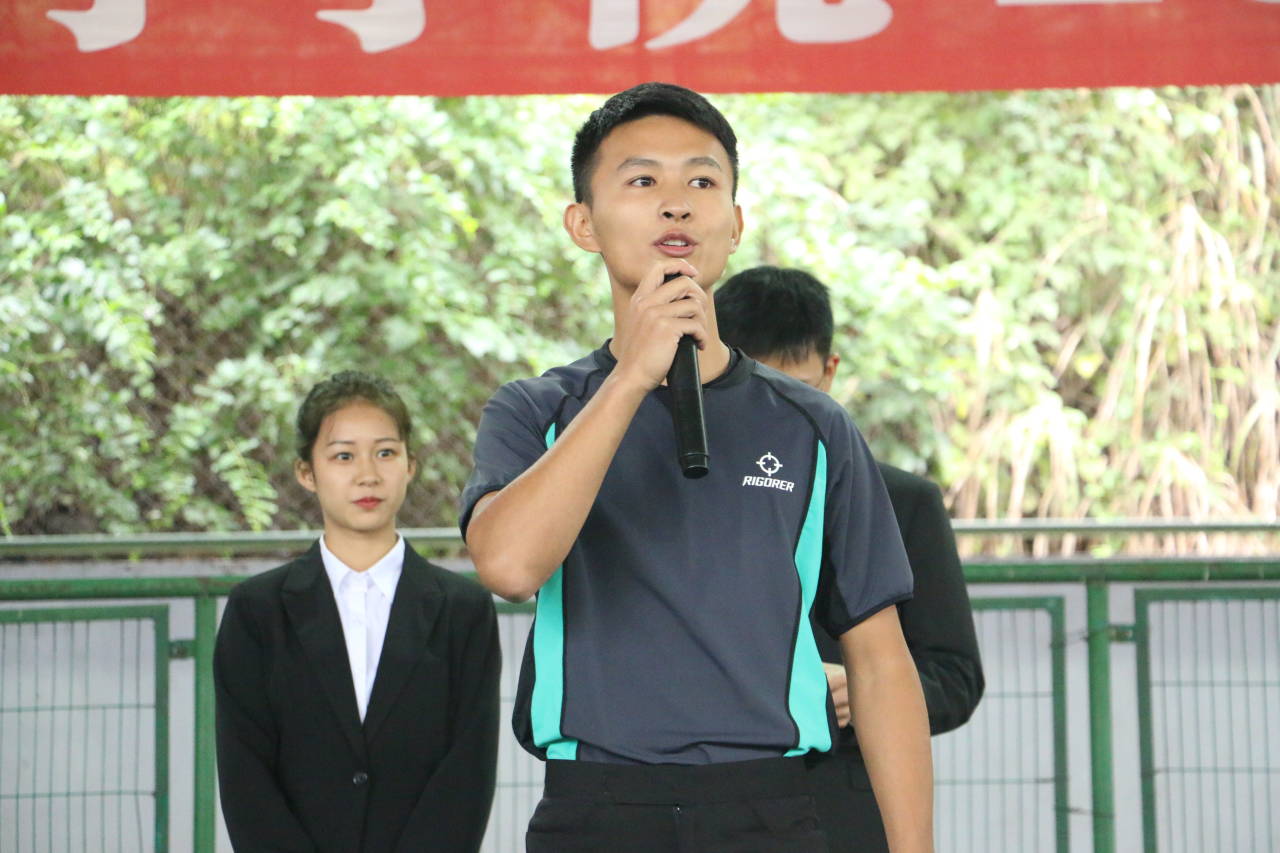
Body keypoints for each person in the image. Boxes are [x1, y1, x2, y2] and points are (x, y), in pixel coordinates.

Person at [461, 82, 934, 853]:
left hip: (770, 812)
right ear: (583, 223)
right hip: (597, 810)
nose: (676, 204)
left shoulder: (814, 427)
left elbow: (881, 663)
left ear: (736, 224)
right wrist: (630, 379)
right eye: (643, 180)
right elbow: (509, 566)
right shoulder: (535, 409)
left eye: (703, 181)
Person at [716, 265, 985, 853]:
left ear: (831, 371)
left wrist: (860, 691)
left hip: (844, 811)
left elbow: (956, 677)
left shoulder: (903, 501)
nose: (777, 411)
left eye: (798, 388)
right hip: (714, 803)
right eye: (757, 388)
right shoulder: (682, 495)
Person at [214, 371, 500, 853]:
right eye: (343, 456)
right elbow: (246, 778)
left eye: (385, 453)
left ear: (410, 465)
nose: (368, 474)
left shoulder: (463, 610)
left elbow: (467, 774)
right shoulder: (256, 612)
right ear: (306, 472)